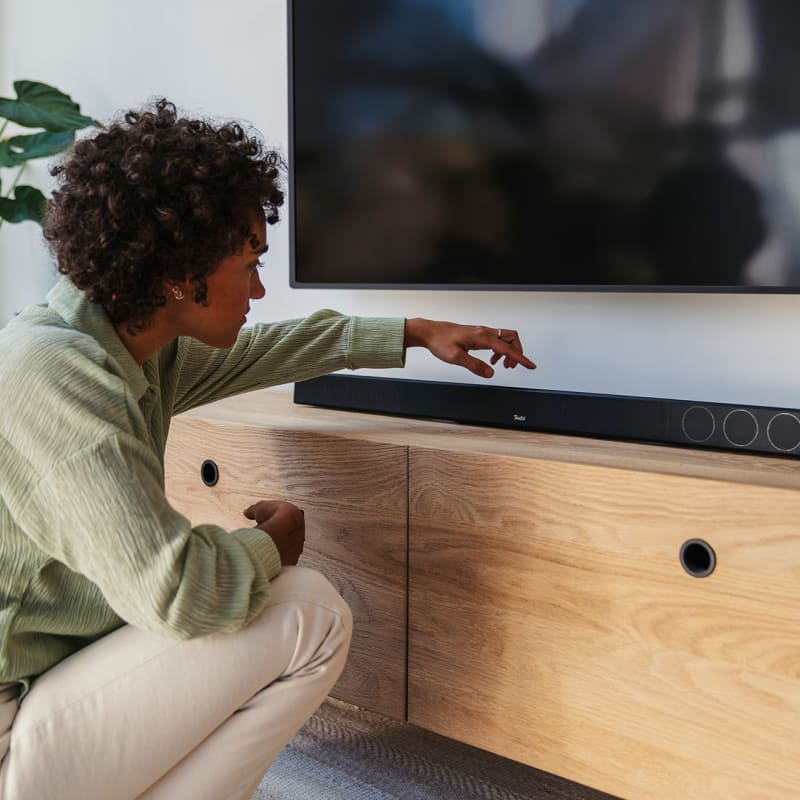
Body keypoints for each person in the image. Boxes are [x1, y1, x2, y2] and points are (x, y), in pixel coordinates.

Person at [0, 99, 536, 800]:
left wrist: (414, 330)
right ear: (179, 272)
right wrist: (268, 548)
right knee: (309, 608)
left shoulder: (123, 349)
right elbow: (180, 595)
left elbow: (264, 349)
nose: (258, 287)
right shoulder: (57, 375)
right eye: (249, 262)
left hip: (40, 684)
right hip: (10, 724)